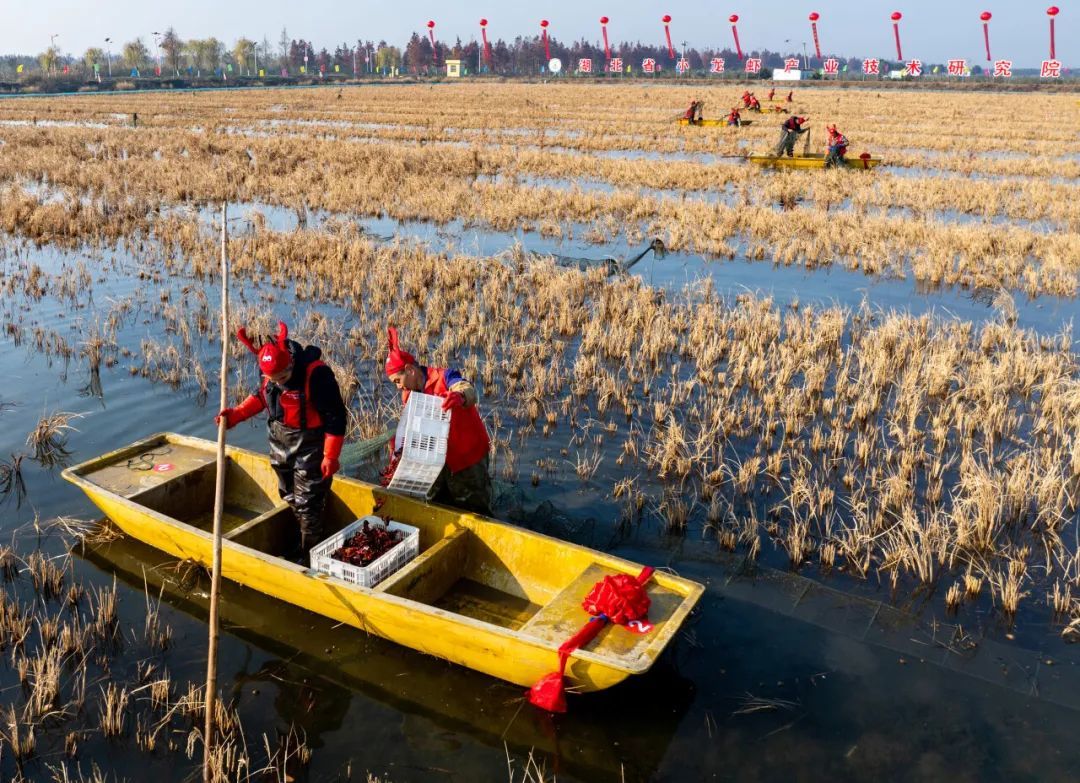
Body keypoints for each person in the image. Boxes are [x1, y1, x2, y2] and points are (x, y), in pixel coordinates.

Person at [216, 321, 347, 559]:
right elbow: (260, 397)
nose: (279, 382)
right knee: (288, 495)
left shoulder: (316, 375)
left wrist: (330, 455)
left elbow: (336, 416)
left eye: (283, 376)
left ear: (291, 362)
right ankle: (314, 534)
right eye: (272, 378)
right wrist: (236, 415)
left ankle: (310, 557)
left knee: (308, 502)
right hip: (279, 442)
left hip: (311, 447)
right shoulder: (271, 377)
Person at [383, 327, 492, 516]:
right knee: (438, 505)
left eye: (397, 380)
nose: (398, 387)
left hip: (467, 456)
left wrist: (459, 396)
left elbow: (467, 388)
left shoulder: (444, 376)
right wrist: (399, 444)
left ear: (409, 370)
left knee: (476, 509)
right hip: (437, 461)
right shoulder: (408, 395)